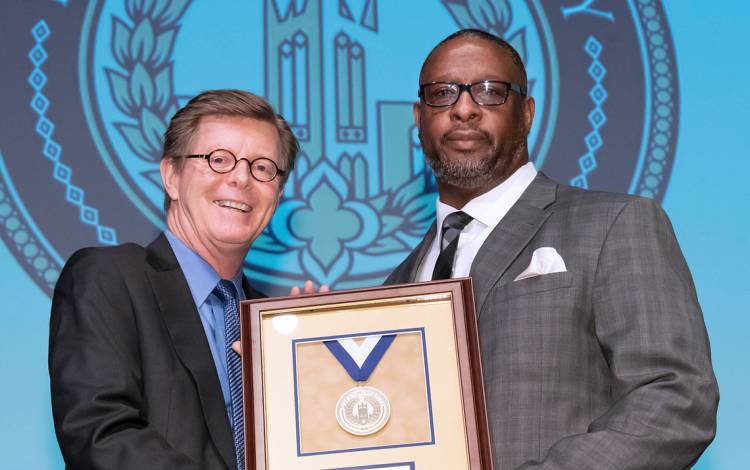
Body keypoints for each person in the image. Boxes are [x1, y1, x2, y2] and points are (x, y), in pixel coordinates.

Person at [385, 29, 718, 469]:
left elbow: (676, 395)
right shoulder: (393, 286)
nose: (464, 109)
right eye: (442, 94)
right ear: (419, 116)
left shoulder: (613, 223)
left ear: (526, 113)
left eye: (489, 91)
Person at [49, 89, 302, 469]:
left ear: (277, 195)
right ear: (171, 176)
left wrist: (319, 376)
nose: (241, 178)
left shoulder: (271, 323)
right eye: (219, 160)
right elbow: (100, 437)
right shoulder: (111, 279)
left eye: (262, 167)